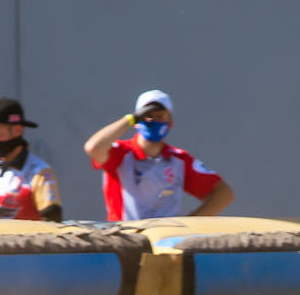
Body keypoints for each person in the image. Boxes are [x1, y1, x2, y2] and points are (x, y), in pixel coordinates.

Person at [82, 90, 233, 221]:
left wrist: (190, 223)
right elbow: (93, 148)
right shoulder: (120, 152)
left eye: (159, 116)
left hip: (166, 240)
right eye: (147, 115)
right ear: (137, 121)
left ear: (170, 122)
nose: (153, 121)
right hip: (126, 238)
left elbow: (223, 193)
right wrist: (130, 119)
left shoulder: (179, 160)